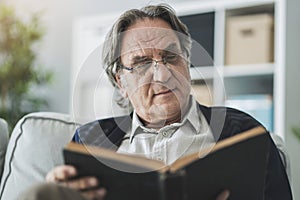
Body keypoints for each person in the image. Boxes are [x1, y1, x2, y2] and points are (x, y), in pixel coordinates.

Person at [19, 3, 292, 200]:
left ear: (186, 63)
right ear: (120, 82)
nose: (161, 74)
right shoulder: (90, 141)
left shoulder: (243, 134)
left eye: (171, 56)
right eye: (141, 63)